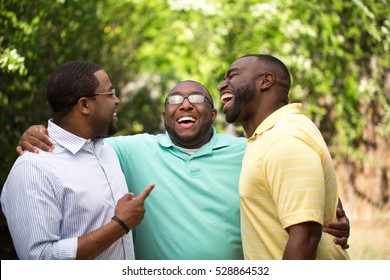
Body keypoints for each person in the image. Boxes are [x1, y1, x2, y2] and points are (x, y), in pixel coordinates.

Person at [14, 80, 350, 260]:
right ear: (165, 117)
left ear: (214, 114)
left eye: (197, 98)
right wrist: (38, 132)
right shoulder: (127, 150)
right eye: (174, 100)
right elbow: (79, 142)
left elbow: (299, 180)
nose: (185, 103)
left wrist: (333, 216)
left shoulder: (249, 150)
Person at [1, 61, 155, 260]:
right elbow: (39, 260)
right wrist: (120, 225)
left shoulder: (106, 150)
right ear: (84, 105)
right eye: (110, 94)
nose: (116, 100)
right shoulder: (34, 168)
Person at [218, 54, 350, 259]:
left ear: (265, 81)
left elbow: (305, 238)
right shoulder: (269, 137)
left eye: (232, 76)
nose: (221, 85)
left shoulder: (286, 138)